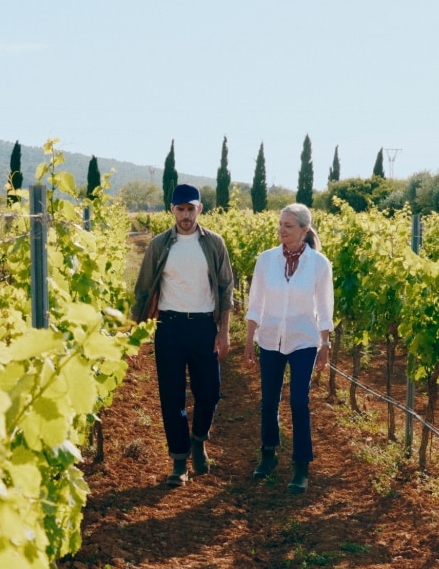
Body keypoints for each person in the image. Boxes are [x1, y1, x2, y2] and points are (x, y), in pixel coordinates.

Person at [131, 183, 234, 487]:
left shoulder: (214, 243)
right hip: (170, 327)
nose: (186, 215)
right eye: (181, 209)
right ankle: (179, 461)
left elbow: (227, 288)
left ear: (200, 209)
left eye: (191, 209)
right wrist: (133, 336)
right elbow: (142, 289)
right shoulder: (159, 245)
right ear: (172, 210)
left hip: (204, 326)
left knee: (210, 391)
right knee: (171, 395)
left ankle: (199, 440)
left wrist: (224, 331)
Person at [243, 203, 333, 494]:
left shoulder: (319, 264)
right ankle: (268, 455)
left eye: (288, 226)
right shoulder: (266, 260)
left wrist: (325, 343)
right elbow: (255, 303)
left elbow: (324, 307)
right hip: (270, 338)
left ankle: (301, 467)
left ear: (304, 230)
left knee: (298, 401)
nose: (281, 230)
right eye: (280, 224)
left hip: (304, 339)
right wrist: (248, 341)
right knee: (268, 400)